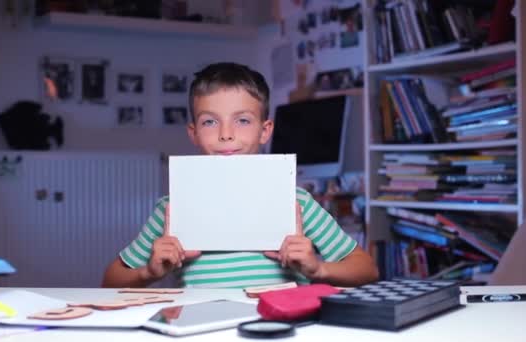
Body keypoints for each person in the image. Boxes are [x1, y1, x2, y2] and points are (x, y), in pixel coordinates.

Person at [102, 62, 379, 289]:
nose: (226, 134)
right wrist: (149, 272)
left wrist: (318, 268)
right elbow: (110, 281)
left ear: (265, 130)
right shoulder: (172, 209)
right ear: (194, 133)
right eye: (210, 121)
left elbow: (366, 269)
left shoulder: (295, 201)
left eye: (242, 120)